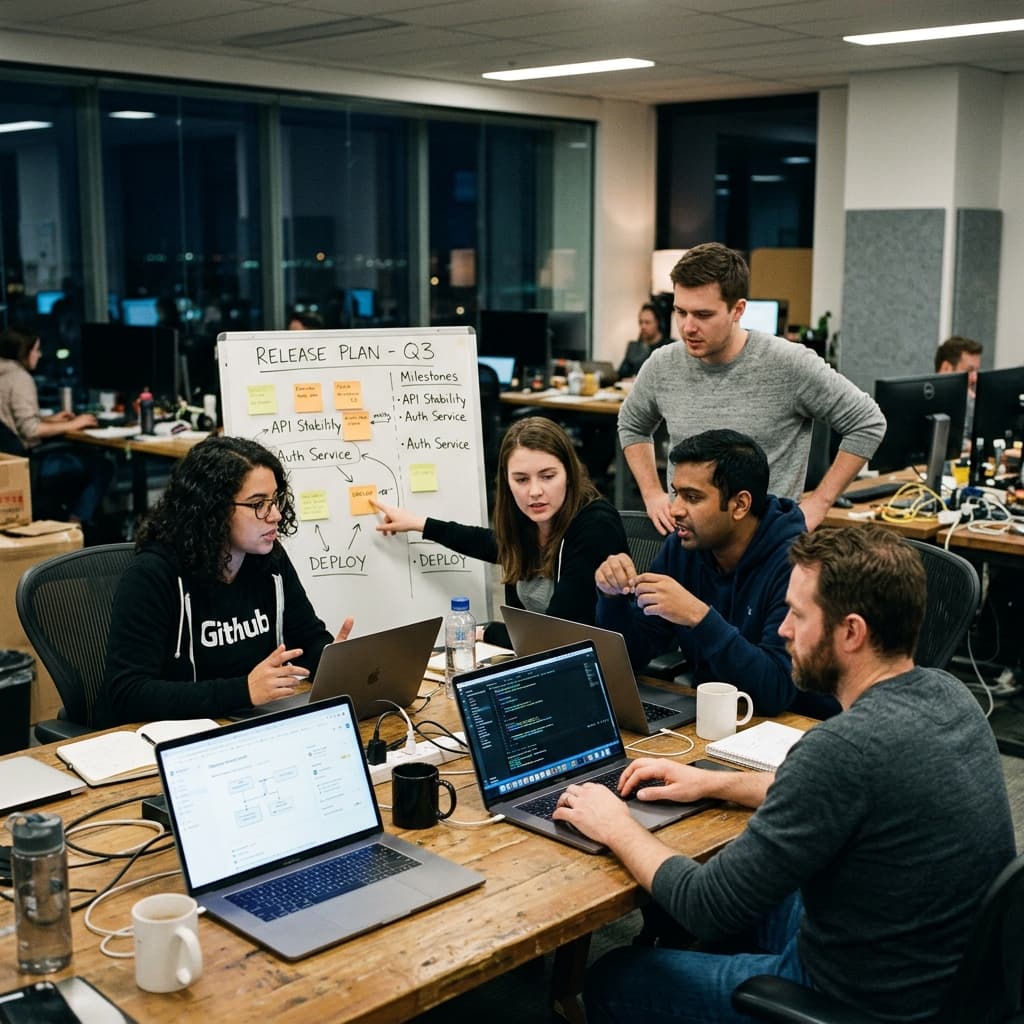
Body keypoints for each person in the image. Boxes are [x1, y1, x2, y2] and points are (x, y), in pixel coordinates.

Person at [555, 524, 1015, 1024]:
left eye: (798, 614)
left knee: (615, 976)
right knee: (745, 885)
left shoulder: (841, 748)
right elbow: (845, 792)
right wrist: (713, 781)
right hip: (938, 975)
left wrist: (615, 824)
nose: (783, 630)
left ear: (851, 632)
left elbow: (706, 902)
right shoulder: (951, 695)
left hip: (859, 1002)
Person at [617, 243, 885, 534]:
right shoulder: (663, 364)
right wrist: (652, 494)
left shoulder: (788, 363)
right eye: (681, 312)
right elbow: (632, 424)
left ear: (738, 310)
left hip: (767, 544)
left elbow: (867, 423)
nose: (687, 328)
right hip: (688, 542)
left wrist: (819, 503)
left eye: (703, 315)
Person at [96, 436, 353, 726]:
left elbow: (307, 638)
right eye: (258, 504)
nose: (276, 515)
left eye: (275, 500)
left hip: (246, 722)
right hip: (171, 739)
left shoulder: (269, 559)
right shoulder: (152, 575)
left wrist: (334, 660)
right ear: (212, 509)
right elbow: (128, 694)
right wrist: (244, 691)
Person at [595, 429, 835, 719]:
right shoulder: (683, 548)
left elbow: (775, 693)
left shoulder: (796, 565)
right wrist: (612, 599)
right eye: (676, 494)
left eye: (693, 497)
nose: (675, 510)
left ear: (740, 505)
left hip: (790, 730)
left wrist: (699, 617)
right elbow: (631, 657)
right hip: (712, 721)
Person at [373, 416, 626, 648]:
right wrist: (420, 523)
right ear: (507, 481)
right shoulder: (528, 518)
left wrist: (488, 633)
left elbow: (556, 634)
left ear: (569, 474)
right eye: (521, 479)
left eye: (547, 476)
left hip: (592, 667)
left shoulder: (595, 526)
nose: (534, 491)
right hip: (537, 660)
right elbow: (491, 544)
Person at [0, 326, 112, 526]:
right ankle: (74, 526)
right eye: (36, 350)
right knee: (102, 465)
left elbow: (11, 421)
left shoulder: (3, 374)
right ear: (23, 352)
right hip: (31, 464)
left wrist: (53, 419)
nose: (40, 355)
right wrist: (75, 423)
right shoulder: (20, 378)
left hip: (11, 465)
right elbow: (30, 430)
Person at [935, 334, 983, 440]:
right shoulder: (925, 403)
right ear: (946, 368)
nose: (975, 378)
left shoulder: (970, 400)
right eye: (969, 370)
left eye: (976, 371)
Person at [617, 302, 670, 380]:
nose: (643, 326)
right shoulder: (633, 347)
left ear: (658, 323)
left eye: (647, 322)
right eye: (640, 322)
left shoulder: (669, 347)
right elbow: (621, 374)